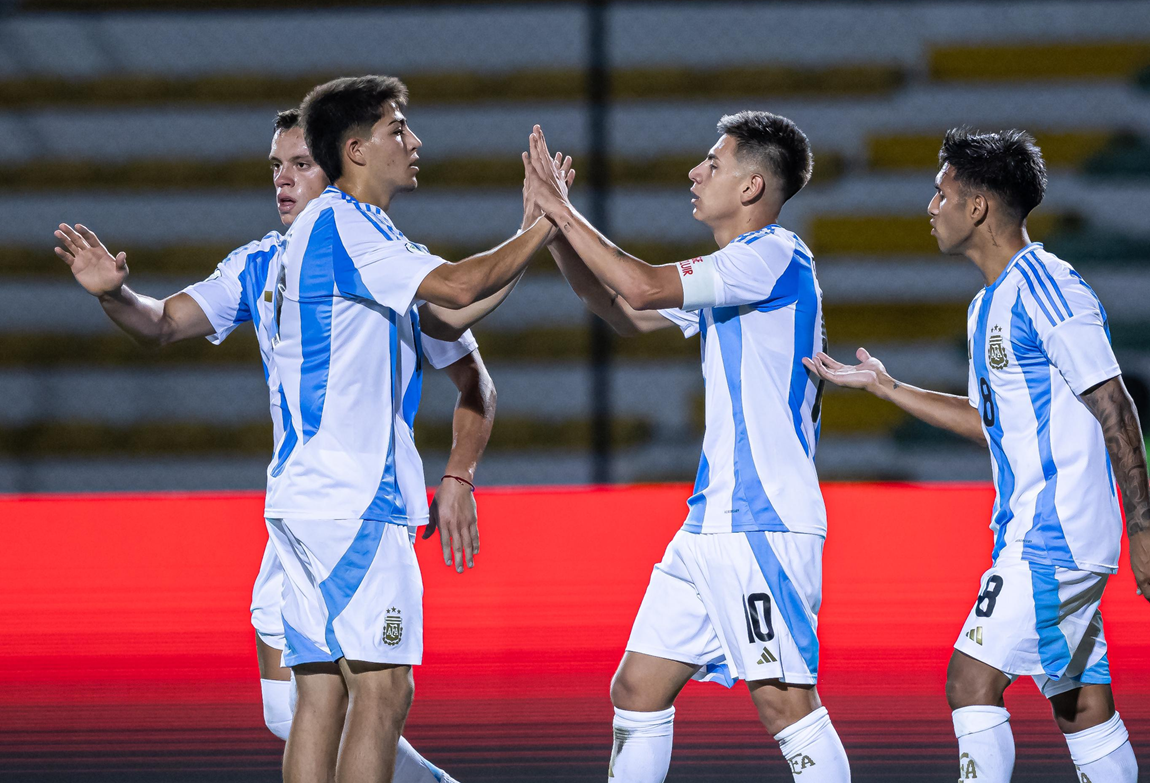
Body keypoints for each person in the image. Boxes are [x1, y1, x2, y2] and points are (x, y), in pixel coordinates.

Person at [52, 107, 501, 783]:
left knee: (363, 698)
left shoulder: (388, 262)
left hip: (358, 505)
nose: (283, 181)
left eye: (300, 165)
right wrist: (115, 297)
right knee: (294, 708)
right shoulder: (261, 262)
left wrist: (460, 474)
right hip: (299, 511)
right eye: (275, 167)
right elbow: (164, 322)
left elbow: (476, 382)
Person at [805, 128, 1150, 783]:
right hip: (1033, 532)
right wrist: (887, 385)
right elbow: (989, 423)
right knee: (1081, 705)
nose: (930, 207)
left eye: (942, 193)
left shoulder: (1047, 284)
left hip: (1055, 532)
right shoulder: (984, 307)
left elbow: (1114, 401)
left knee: (969, 679)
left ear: (979, 207)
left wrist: (1143, 524)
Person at [521, 114, 850, 782]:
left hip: (761, 521)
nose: (695, 173)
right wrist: (551, 227)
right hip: (710, 524)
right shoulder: (736, 268)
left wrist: (563, 208)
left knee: (785, 702)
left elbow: (639, 283)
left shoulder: (775, 255)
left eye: (713, 162)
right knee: (637, 689)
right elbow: (620, 306)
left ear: (753, 185)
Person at [268, 75, 569, 783]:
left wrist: (532, 225)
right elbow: (461, 286)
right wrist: (549, 221)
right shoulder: (348, 224)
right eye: (397, 128)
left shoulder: (345, 235)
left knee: (321, 692)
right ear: (356, 148)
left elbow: (449, 317)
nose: (414, 140)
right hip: (354, 502)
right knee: (384, 689)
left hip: (307, 500)